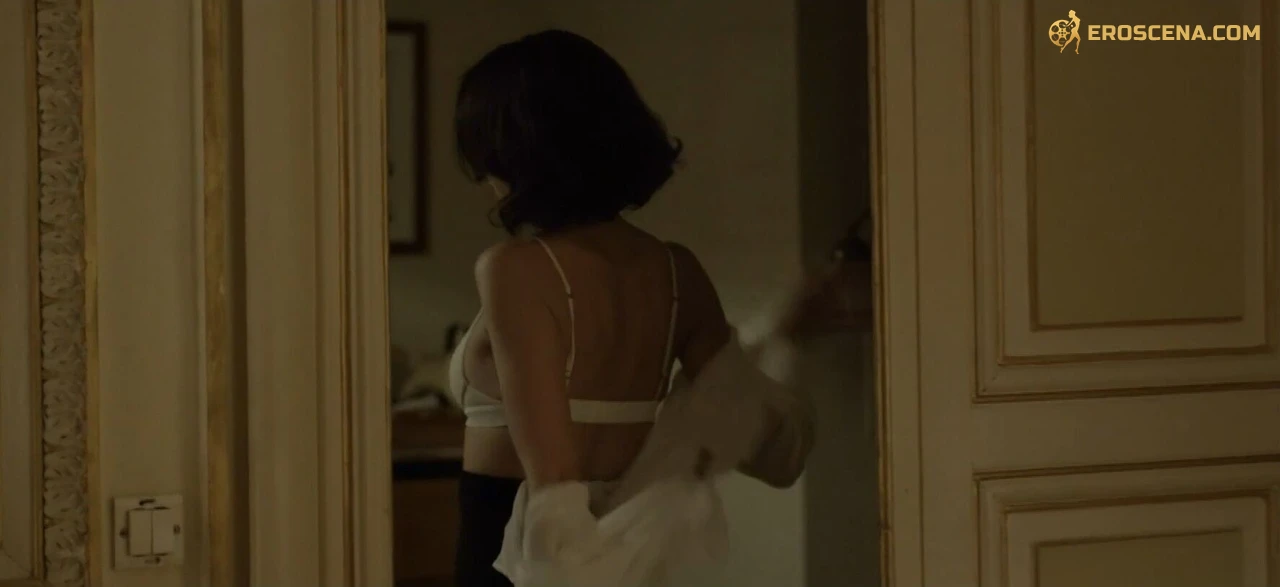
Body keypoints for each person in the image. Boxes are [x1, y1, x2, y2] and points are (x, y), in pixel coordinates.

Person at [447, 29, 868, 586]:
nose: (486, 178)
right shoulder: (675, 272)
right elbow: (750, 424)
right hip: (620, 558)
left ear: (517, 152)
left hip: (528, 558)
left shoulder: (514, 269)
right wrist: (786, 330)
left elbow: (555, 481)